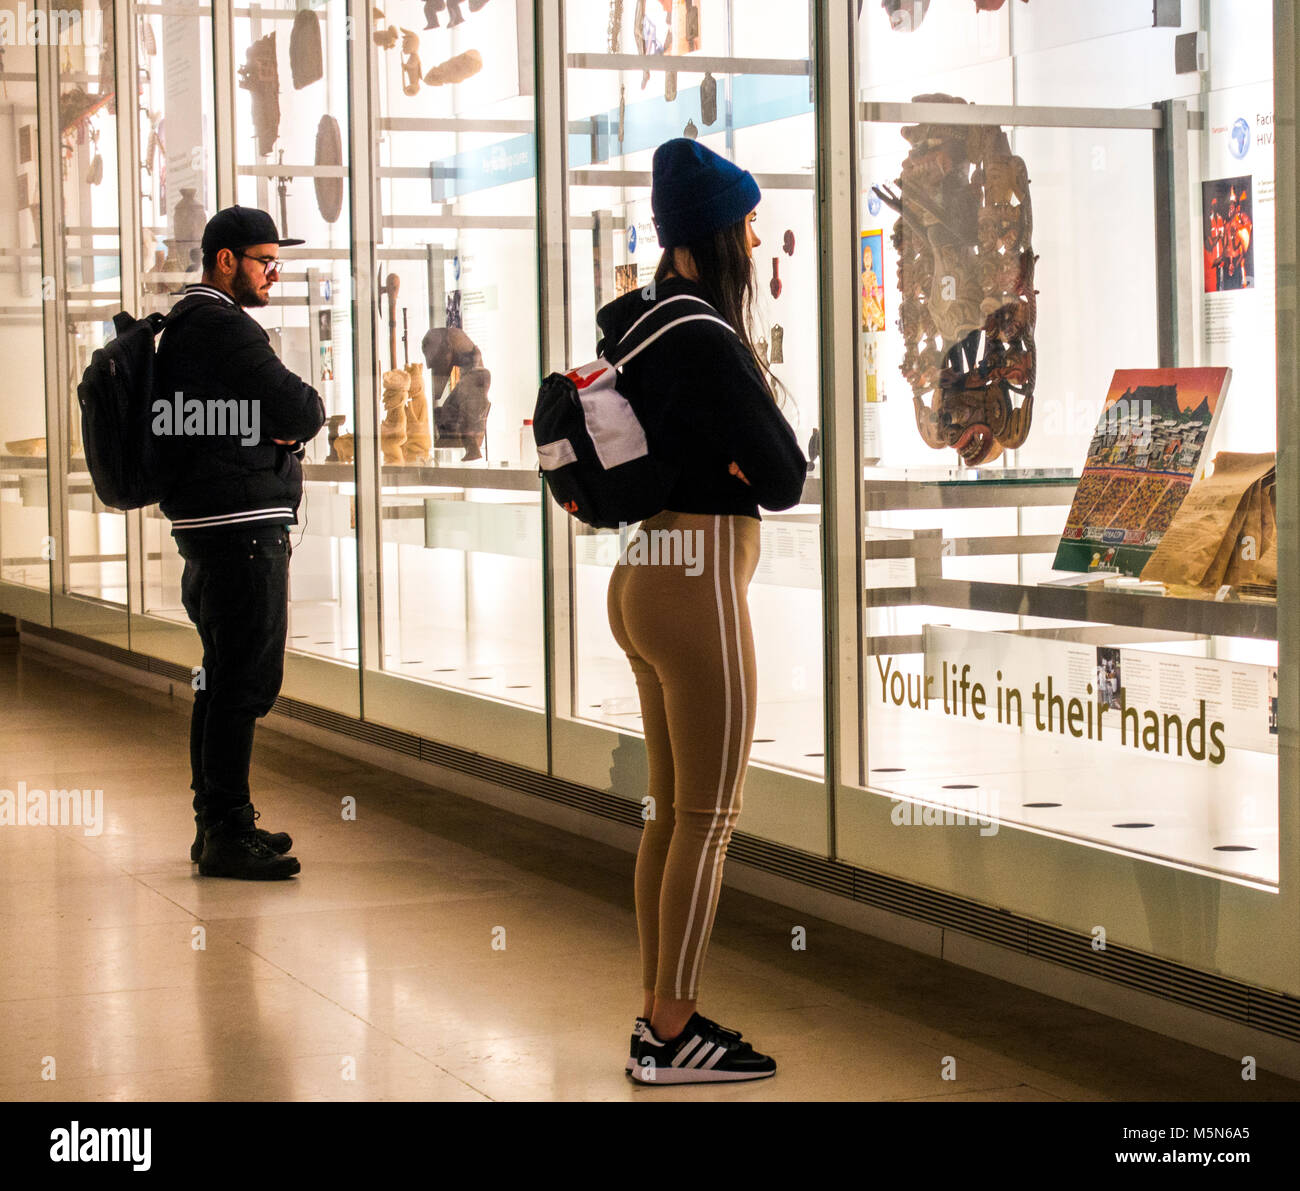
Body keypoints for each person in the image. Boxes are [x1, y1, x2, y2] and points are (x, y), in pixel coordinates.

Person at [604, 140, 808, 1084]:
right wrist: (737, 456)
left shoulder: (640, 325)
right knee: (709, 816)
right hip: (700, 588)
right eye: (747, 222)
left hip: (645, 573)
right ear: (717, 235)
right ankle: (673, 1029)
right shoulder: (706, 334)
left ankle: (658, 1015)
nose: (756, 236)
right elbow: (782, 474)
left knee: (668, 813)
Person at [155, 206, 325, 879]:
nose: (273, 273)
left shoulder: (186, 327)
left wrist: (259, 424)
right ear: (225, 260)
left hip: (210, 530)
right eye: (264, 260)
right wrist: (276, 426)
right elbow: (303, 408)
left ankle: (220, 822)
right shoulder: (223, 327)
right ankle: (225, 830)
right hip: (240, 531)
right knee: (244, 679)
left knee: (220, 676)